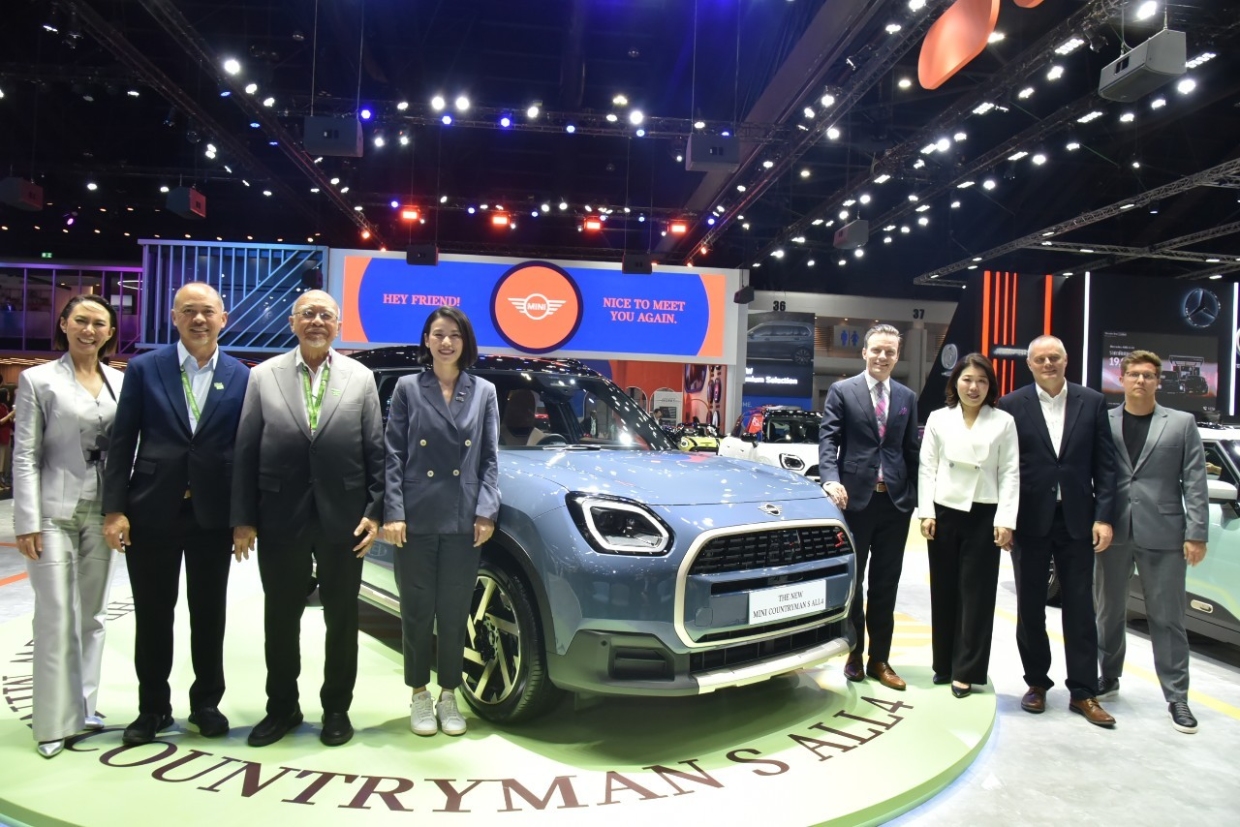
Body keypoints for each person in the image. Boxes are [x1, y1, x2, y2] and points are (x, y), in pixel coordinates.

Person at [231, 289, 384, 747]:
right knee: (280, 618)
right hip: (280, 515)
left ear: (338, 325)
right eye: (308, 314)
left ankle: (337, 709)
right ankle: (282, 708)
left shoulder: (360, 377)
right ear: (293, 322)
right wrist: (244, 518)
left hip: (345, 518)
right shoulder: (263, 376)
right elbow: (246, 448)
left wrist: (375, 512)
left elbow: (375, 449)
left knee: (343, 619)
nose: (317, 321)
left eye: (326, 315)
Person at [103, 282, 249, 746]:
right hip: (151, 511)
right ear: (174, 317)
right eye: (189, 311)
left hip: (213, 515)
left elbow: (246, 451)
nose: (198, 319)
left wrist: (244, 516)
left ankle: (206, 704)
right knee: (152, 615)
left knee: (209, 614)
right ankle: (153, 708)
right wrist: (114, 509)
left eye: (207, 311)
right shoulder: (145, 368)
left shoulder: (241, 375)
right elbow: (122, 441)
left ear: (223, 319)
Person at [13, 295, 124, 757]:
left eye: (99, 323)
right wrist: (27, 520)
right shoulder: (37, 380)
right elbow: (24, 454)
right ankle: (51, 722)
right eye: (81, 320)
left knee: (92, 616)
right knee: (56, 614)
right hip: (53, 512)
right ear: (63, 324)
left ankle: (83, 709)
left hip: (103, 510)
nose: (89, 330)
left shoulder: (121, 382)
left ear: (110, 332)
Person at [381, 306, 500, 736]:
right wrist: (394, 512)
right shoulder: (408, 388)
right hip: (415, 516)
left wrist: (486, 510)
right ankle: (419, 693)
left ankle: (449, 695)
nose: (446, 342)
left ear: (465, 342)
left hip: (463, 517)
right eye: (438, 334)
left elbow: (489, 458)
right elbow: (393, 454)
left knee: (453, 611)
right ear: (427, 340)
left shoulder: (483, 391)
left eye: (454, 335)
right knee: (416, 609)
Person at [996, 334, 1118, 727]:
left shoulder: (1092, 401)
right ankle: (1036, 683)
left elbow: (1106, 466)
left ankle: (1083, 691)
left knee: (1080, 608)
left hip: (1078, 520)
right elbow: (1005, 468)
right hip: (1030, 521)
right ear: (1029, 364)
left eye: (1055, 357)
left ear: (1066, 361)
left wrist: (1104, 517)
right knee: (1030, 607)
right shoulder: (1011, 405)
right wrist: (1005, 518)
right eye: (1041, 359)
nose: (1048, 364)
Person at [1096, 350, 1208, 733]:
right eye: (1134, 374)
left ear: (1158, 381)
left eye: (1148, 375)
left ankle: (1177, 696)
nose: (1140, 381)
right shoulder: (1104, 421)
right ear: (1121, 379)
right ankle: (1108, 677)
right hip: (1113, 531)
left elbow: (1195, 481)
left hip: (1165, 533)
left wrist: (1196, 533)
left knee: (1168, 617)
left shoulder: (1181, 423)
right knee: (1108, 611)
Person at [819, 323, 919, 690]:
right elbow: (829, 439)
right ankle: (854, 654)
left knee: (885, 584)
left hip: (894, 503)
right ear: (864, 352)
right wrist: (830, 478)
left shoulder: (907, 397)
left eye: (890, 351)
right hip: (854, 501)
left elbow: (911, 450)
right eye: (876, 349)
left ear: (897, 356)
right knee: (854, 582)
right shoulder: (842, 391)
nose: (882, 356)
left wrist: (915, 497)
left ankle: (880, 659)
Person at [918, 353, 1019, 698]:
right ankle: (943, 664)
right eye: (967, 379)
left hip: (985, 513)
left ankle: (967, 670)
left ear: (990, 386)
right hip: (944, 512)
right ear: (955, 382)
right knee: (943, 590)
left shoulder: (1003, 421)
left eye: (981, 381)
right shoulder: (938, 418)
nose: (974, 387)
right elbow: (927, 467)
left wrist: (1006, 519)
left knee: (977, 596)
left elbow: (1010, 472)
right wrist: (926, 512)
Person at [0, 386, 15, 488]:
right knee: (1, 459)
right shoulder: (0, 408)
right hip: (1, 436)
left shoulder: (5, 407)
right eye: (8, 394)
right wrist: (10, 415)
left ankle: (3, 479)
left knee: (5, 460)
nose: (9, 396)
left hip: (7, 436)